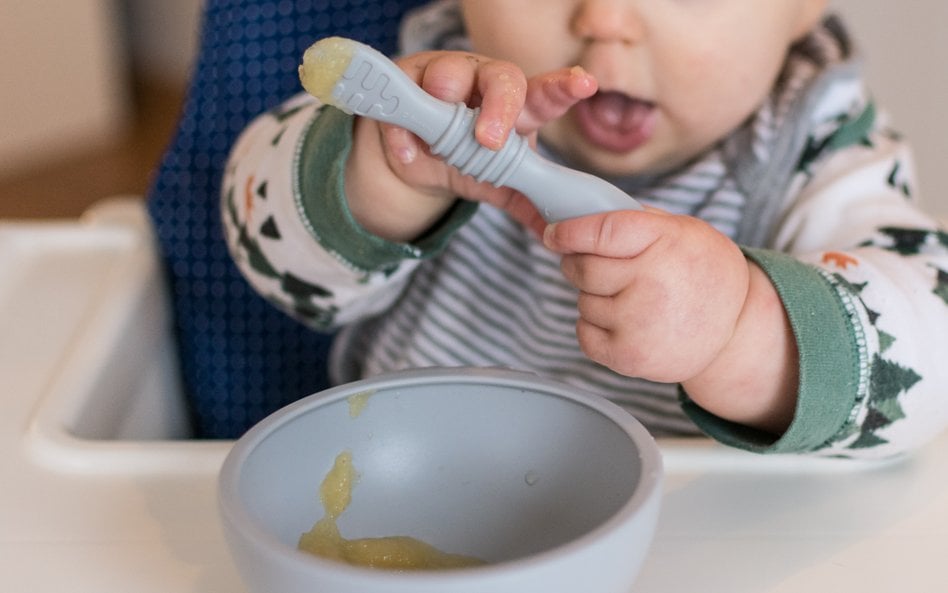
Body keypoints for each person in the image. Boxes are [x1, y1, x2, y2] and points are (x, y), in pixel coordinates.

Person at [221, 0, 948, 457]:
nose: (603, 18)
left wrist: (741, 329)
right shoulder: (429, 97)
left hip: (694, 550)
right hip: (403, 507)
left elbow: (929, 347)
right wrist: (384, 174)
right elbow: (259, 235)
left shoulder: (820, 150)